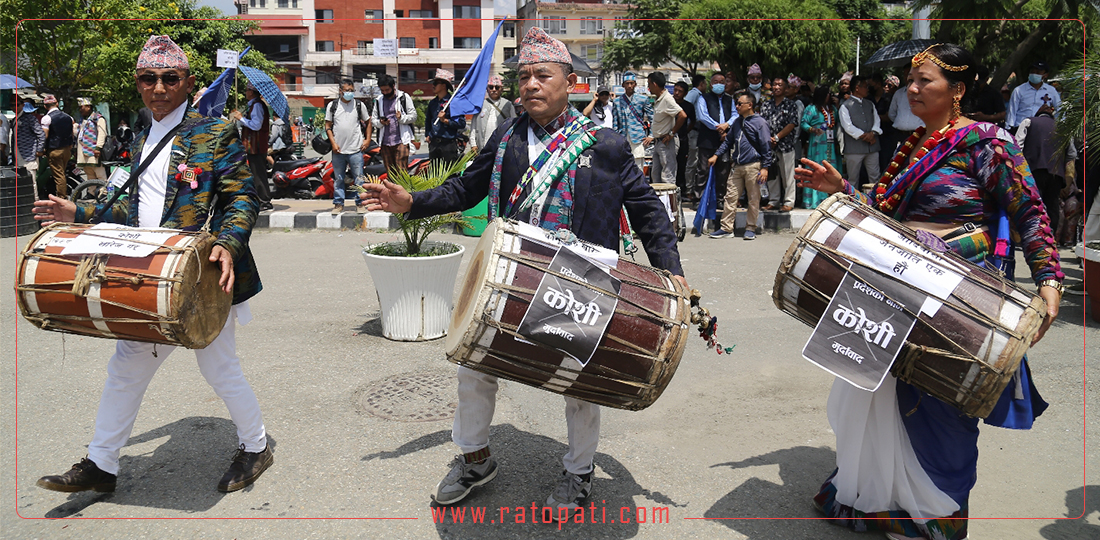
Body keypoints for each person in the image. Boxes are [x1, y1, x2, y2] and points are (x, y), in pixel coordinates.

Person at [360, 26, 686, 521]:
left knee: (578, 387)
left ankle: (578, 472)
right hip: (511, 281)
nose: (530, 84)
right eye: (523, 76)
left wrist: (671, 273)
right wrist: (414, 201)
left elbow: (647, 212)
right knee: (474, 370)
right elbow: (466, 188)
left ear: (570, 81)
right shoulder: (508, 137)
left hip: (579, 284)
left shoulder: (606, 144)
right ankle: (474, 460)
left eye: (542, 75)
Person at [795, 43, 1062, 540]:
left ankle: (934, 511)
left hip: (957, 295)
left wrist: (1048, 280)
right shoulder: (912, 142)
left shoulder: (989, 143)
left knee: (943, 403)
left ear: (957, 90)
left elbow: (1031, 212)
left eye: (925, 81)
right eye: (910, 80)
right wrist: (844, 192)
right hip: (897, 286)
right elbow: (884, 216)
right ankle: (878, 500)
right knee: (877, 390)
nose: (911, 88)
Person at [31, 34, 273, 495]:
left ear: (188, 82)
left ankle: (256, 446)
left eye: (169, 78)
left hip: (202, 277)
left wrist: (228, 242)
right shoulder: (143, 137)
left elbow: (243, 197)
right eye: (149, 78)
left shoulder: (214, 131)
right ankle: (101, 464)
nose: (158, 87)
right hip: (151, 275)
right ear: (139, 84)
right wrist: (77, 214)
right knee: (126, 366)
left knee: (218, 369)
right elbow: (131, 210)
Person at [707, 92, 771, 240]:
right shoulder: (737, 122)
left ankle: (750, 228)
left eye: (740, 104)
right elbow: (728, 142)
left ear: (750, 105)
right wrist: (716, 155)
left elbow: (766, 146)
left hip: (754, 166)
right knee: (730, 196)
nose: (737, 106)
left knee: (753, 198)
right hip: (737, 165)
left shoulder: (760, 123)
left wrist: (765, 167)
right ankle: (726, 228)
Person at [1016, 104, 1072, 235]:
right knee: (1052, 206)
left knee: (1034, 203)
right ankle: (1049, 236)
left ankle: (1033, 236)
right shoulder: (1063, 128)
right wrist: (1068, 180)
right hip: (1056, 174)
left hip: (1033, 171)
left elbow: (1017, 147)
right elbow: (1071, 154)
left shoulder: (1029, 122)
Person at [325, 79, 371, 215]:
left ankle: (360, 203)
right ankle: (338, 203)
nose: (349, 93)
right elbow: (328, 126)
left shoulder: (358, 105)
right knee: (339, 178)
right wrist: (333, 143)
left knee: (359, 178)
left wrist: (367, 140)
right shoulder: (332, 106)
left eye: (352, 91)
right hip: (338, 150)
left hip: (356, 149)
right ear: (340, 91)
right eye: (347, 90)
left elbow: (368, 122)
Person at [759, 76, 800, 212]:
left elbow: (792, 124)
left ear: (786, 88)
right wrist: (767, 139)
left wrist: (776, 138)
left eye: (780, 85)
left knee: (788, 175)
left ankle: (788, 202)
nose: (777, 87)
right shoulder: (766, 104)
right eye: (774, 84)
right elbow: (762, 123)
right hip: (769, 146)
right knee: (772, 175)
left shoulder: (791, 104)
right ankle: (773, 201)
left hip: (786, 145)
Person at [231, 84, 273, 211]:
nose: (245, 92)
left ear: (252, 92)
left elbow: (256, 125)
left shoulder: (257, 106)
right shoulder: (253, 105)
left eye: (247, 90)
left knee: (258, 174)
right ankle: (258, 199)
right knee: (254, 173)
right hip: (253, 146)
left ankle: (264, 200)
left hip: (256, 146)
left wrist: (241, 118)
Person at [694, 72, 734, 204]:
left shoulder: (730, 99)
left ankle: (719, 199)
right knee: (703, 170)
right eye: (716, 82)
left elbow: (735, 115)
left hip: (724, 140)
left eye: (722, 82)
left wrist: (727, 125)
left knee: (723, 171)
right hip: (707, 139)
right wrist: (719, 128)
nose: (719, 84)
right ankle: (700, 199)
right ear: (711, 85)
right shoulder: (703, 98)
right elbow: (702, 116)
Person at [800, 86, 841, 209]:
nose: (829, 96)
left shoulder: (832, 109)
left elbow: (838, 122)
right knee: (817, 169)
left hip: (831, 144)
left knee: (831, 169)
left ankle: (831, 198)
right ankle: (814, 200)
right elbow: (803, 123)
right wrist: (812, 129)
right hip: (817, 144)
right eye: (827, 94)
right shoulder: (811, 108)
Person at [839, 75, 882, 190]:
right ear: (857, 88)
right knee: (853, 178)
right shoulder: (845, 106)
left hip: (872, 148)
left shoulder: (870, 104)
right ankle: (853, 202)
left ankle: (875, 201)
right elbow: (848, 127)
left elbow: (877, 121)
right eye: (865, 86)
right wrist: (867, 136)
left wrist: (872, 133)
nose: (867, 89)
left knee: (875, 176)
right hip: (854, 149)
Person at [370, 74, 418, 177]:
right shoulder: (379, 100)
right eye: (382, 90)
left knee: (402, 172)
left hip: (401, 141)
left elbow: (413, 116)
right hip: (385, 142)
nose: (385, 93)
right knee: (390, 173)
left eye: (387, 90)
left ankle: (404, 192)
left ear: (393, 86)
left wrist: (401, 118)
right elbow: (373, 119)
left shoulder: (403, 97)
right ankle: (392, 193)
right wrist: (380, 122)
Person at [644, 71, 686, 185]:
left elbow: (682, 115)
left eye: (649, 84)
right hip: (658, 142)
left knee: (667, 177)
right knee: (656, 176)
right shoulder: (659, 99)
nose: (648, 87)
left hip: (667, 142)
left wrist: (672, 133)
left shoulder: (667, 99)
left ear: (655, 84)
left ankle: (670, 202)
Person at [612, 71, 652, 170]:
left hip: (638, 138)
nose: (629, 86)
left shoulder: (643, 99)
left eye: (632, 83)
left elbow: (652, 118)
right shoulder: (617, 102)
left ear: (635, 84)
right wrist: (616, 138)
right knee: (623, 167)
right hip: (623, 138)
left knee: (638, 167)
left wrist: (651, 135)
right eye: (627, 83)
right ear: (623, 85)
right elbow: (615, 123)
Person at [425, 69, 466, 165]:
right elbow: (428, 121)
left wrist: (445, 120)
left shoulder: (454, 103)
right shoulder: (433, 103)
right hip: (434, 144)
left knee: (449, 174)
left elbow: (461, 123)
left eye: (436, 83)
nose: (433, 86)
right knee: (434, 173)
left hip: (448, 144)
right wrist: (427, 134)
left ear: (444, 85)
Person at [1006, 61, 1060, 132]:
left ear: (1045, 75)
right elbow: (1012, 111)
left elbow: (1059, 109)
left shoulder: (1051, 91)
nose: (1034, 74)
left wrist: (1057, 125)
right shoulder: (1019, 90)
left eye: (1038, 72)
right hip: (1021, 129)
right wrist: (1009, 129)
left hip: (1042, 129)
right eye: (1032, 72)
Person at [39, 94, 74, 199]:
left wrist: (41, 149)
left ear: (45, 106)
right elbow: (72, 134)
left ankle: (61, 197)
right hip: (67, 149)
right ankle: (62, 194)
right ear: (57, 104)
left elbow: (44, 136)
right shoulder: (69, 117)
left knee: (59, 175)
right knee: (62, 173)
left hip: (54, 150)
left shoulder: (46, 118)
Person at [469, 75, 515, 154]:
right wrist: (473, 144)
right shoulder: (480, 104)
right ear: (487, 89)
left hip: (502, 147)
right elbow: (473, 126)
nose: (494, 90)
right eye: (491, 87)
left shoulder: (508, 104)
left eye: (497, 87)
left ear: (501, 89)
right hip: (483, 147)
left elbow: (514, 124)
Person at [684, 75, 707, 203]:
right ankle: (689, 189)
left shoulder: (700, 95)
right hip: (693, 132)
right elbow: (686, 110)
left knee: (698, 161)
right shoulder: (694, 94)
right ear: (701, 84)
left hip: (699, 132)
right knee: (692, 162)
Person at [74, 97, 109, 181]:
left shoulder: (98, 119)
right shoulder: (83, 121)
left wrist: (98, 148)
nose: (80, 110)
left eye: (81, 107)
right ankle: (91, 193)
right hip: (84, 155)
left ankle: (103, 193)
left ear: (88, 107)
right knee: (90, 177)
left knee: (100, 176)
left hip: (94, 154)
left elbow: (102, 134)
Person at [673, 81, 697, 199]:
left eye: (680, 91)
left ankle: (681, 189)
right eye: (675, 90)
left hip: (682, 138)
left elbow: (693, 121)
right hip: (669, 138)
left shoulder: (688, 106)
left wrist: (686, 131)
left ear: (685, 93)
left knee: (682, 164)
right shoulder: (669, 103)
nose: (677, 93)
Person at [15, 99, 44, 175]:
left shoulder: (32, 119)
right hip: (19, 155)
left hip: (29, 155)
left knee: (31, 180)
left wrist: (39, 150)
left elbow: (41, 135)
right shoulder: (15, 120)